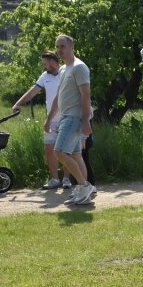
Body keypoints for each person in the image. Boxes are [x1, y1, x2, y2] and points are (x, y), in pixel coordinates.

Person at [45, 34, 95, 205]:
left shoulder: (79, 67)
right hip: (65, 116)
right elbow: (59, 96)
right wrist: (49, 119)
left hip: (75, 117)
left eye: (62, 47)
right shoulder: (64, 69)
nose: (59, 50)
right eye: (57, 47)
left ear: (72, 47)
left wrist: (86, 121)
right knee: (76, 155)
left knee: (59, 151)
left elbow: (86, 95)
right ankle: (83, 192)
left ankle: (84, 186)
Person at [12, 51, 72, 190]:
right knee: (49, 148)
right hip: (51, 120)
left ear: (52, 61)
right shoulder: (45, 76)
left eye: (45, 63)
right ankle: (54, 179)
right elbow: (33, 91)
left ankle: (67, 179)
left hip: (66, 117)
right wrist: (18, 103)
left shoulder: (65, 72)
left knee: (66, 149)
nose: (44, 66)